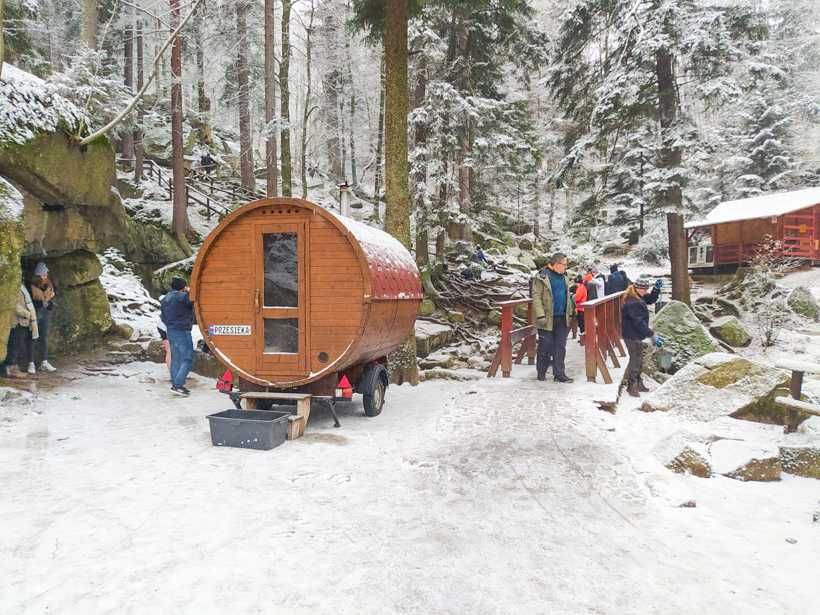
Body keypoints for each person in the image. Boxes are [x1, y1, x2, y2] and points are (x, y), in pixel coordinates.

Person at [532, 253, 575, 383]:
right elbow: (536, 297)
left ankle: (559, 374)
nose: (565, 267)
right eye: (564, 264)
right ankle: (541, 372)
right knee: (545, 346)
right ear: (556, 264)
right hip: (546, 318)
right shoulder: (542, 276)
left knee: (560, 346)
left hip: (562, 317)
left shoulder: (565, 277)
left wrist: (571, 311)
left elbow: (568, 296)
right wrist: (540, 315)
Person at [621, 278, 659, 397]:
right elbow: (638, 322)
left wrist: (656, 290)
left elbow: (651, 299)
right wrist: (651, 334)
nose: (644, 291)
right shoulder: (633, 302)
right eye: (642, 289)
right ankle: (632, 385)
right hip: (631, 334)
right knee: (635, 360)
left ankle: (638, 382)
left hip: (636, 333)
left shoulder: (637, 296)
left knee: (639, 359)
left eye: (645, 289)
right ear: (636, 288)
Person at [160, 277, 195, 396]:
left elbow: (163, 317)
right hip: (182, 331)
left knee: (176, 359)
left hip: (171, 330)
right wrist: (190, 291)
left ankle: (175, 385)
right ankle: (178, 385)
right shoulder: (183, 296)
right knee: (187, 358)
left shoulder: (165, 299)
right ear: (183, 287)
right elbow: (193, 301)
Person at [3, 284, 39, 379]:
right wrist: (27, 314)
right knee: (14, 345)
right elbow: (13, 304)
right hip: (18, 321)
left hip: (23, 321)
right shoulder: (12, 286)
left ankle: (14, 368)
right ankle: (10, 369)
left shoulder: (20, 286)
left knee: (18, 345)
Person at [30, 262, 57, 373]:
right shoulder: (32, 285)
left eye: (46, 274)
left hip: (45, 313)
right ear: (38, 275)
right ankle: (30, 363)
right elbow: (31, 301)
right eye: (43, 274)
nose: (45, 276)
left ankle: (44, 362)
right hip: (35, 313)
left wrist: (49, 303)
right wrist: (43, 301)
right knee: (32, 338)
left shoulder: (49, 284)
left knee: (44, 338)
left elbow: (50, 298)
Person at [573, 274, 588, 344]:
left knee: (582, 325)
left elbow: (577, 298)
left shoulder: (580, 288)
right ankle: (584, 339)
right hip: (582, 308)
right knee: (582, 324)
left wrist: (574, 297)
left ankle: (583, 339)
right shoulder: (583, 287)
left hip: (580, 308)